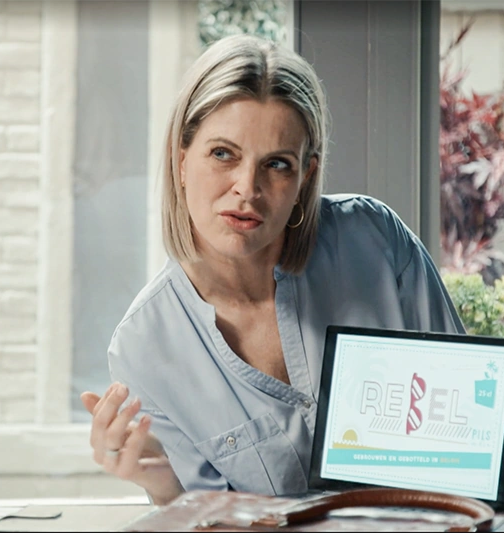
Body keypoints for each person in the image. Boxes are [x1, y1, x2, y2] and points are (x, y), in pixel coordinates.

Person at [80, 34, 466, 506]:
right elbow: (209, 520)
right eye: (223, 154)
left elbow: (468, 442)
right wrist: (167, 487)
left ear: (305, 176)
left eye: (277, 164)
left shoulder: (375, 241)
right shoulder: (144, 348)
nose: (247, 188)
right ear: (181, 162)